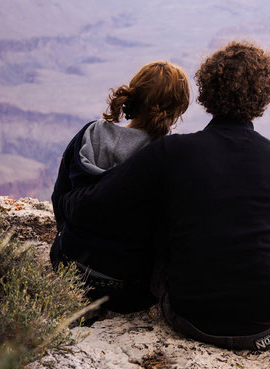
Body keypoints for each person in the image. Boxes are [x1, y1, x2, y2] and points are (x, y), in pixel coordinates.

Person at [57, 41, 270, 350]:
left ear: (206, 90)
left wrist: (67, 200)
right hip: (267, 330)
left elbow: (91, 205)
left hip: (185, 316)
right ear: (265, 96)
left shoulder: (170, 152)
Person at [50, 61, 190, 313]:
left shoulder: (90, 133)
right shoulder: (164, 157)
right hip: (125, 289)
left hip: (67, 263)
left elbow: (60, 194)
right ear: (175, 111)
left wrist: (73, 239)